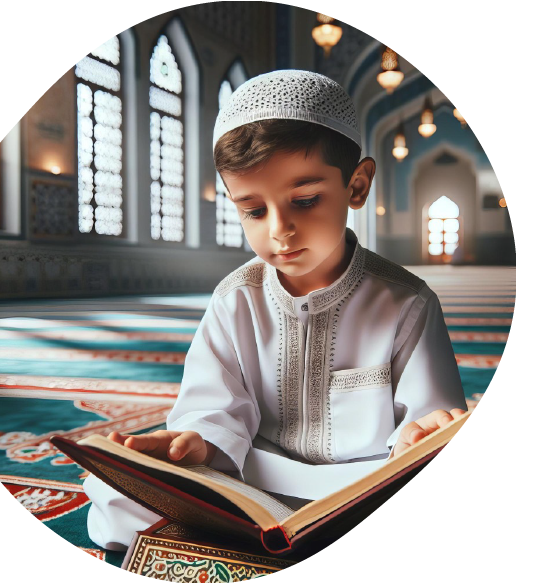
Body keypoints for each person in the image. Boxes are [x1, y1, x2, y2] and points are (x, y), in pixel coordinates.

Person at [83, 70, 467, 549]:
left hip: (365, 488)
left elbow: (432, 423)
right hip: (253, 479)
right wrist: (194, 442)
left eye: (304, 200)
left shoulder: (406, 302)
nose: (279, 230)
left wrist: (419, 437)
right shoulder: (234, 300)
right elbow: (212, 409)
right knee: (115, 494)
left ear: (356, 186)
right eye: (254, 210)